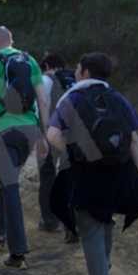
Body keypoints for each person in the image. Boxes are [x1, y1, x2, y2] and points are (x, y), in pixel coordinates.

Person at [47, 52, 138, 275]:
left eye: (78, 69)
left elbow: (53, 134)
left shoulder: (73, 98)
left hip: (86, 173)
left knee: (90, 228)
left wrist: (76, 151)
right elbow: (133, 139)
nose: (76, 73)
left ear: (86, 72)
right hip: (118, 171)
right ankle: (104, 269)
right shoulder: (118, 98)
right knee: (105, 219)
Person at [0, 26, 51, 269]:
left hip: (3, 130)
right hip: (29, 129)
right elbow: (43, 99)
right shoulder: (29, 60)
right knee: (6, 182)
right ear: (12, 41)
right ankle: (0, 232)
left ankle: (17, 253)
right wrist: (44, 135)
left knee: (10, 187)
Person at [39, 53, 78, 242]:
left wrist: (42, 134)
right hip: (78, 133)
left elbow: (42, 106)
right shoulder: (75, 79)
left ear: (46, 65)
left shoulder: (45, 80)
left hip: (54, 131)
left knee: (48, 174)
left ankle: (50, 220)